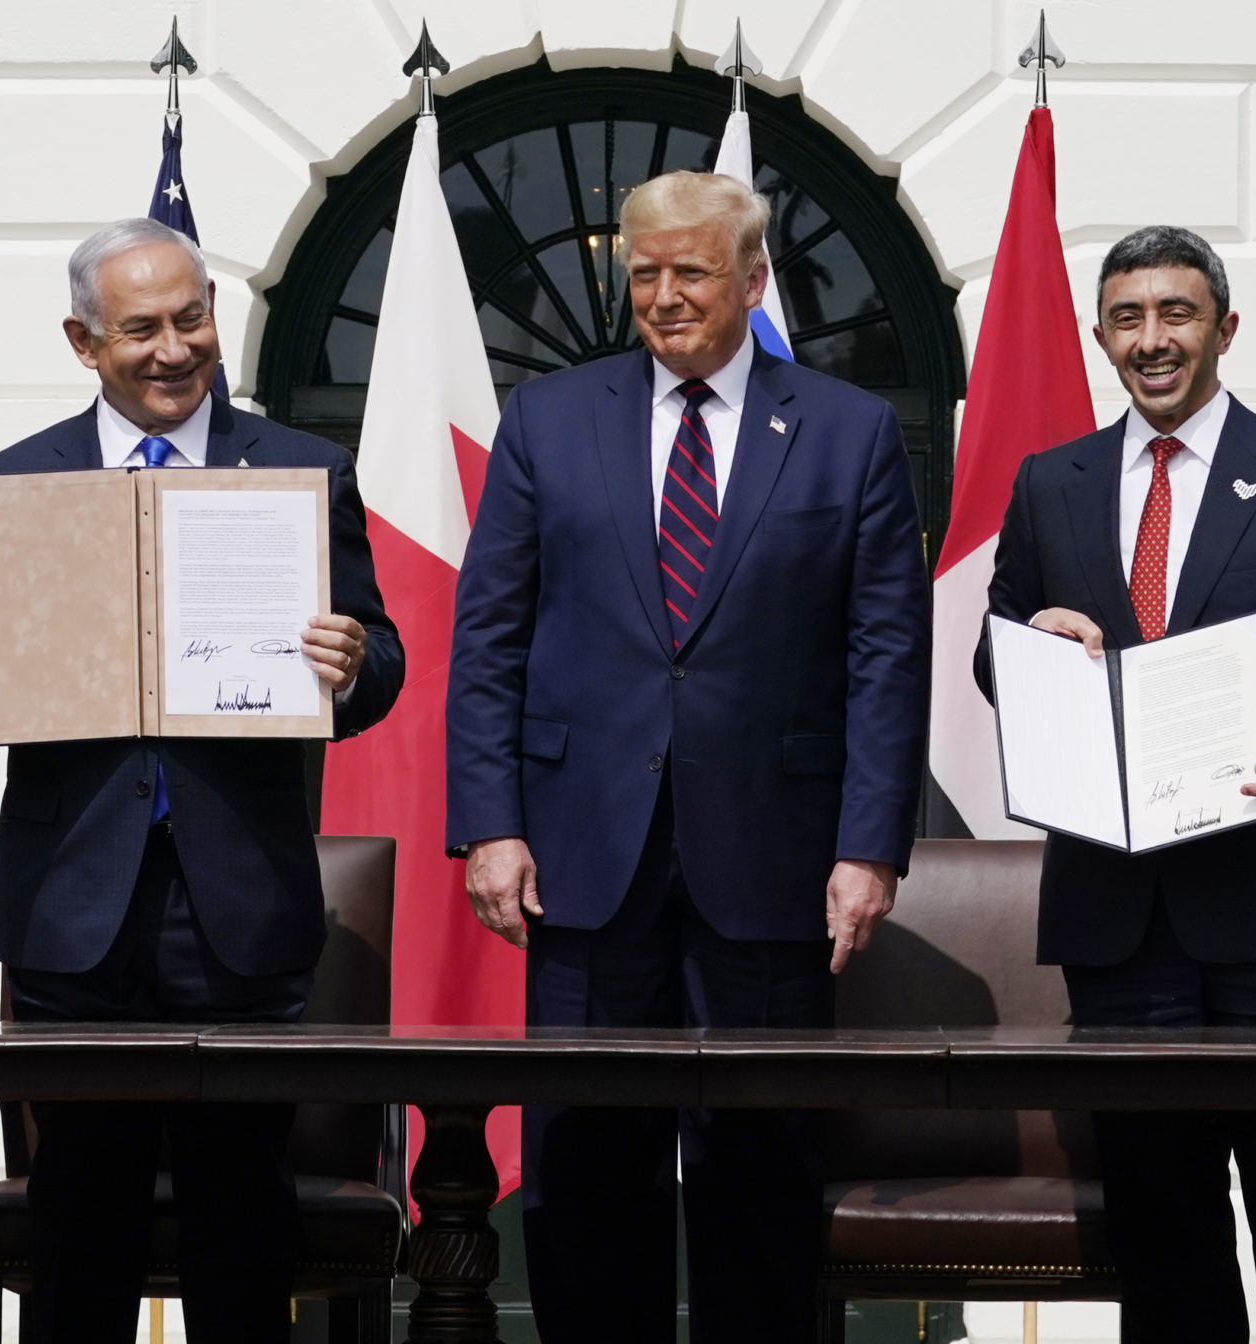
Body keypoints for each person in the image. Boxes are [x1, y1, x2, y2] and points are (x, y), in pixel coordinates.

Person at [445, 171, 931, 1341]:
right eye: (644, 273)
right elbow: (488, 637)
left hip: (772, 864)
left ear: (752, 280)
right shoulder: (547, 418)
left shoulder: (848, 429)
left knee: (757, 1184)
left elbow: (884, 655)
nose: (663, 297)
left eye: (691, 272)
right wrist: (490, 823)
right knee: (585, 1180)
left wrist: (869, 846)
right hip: (580, 859)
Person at [0, 216, 402, 1344]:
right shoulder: (12, 485)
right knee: (79, 1224)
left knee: (244, 1225)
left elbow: (378, 662)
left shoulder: (300, 469)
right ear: (83, 341)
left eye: (193, 319)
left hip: (241, 898)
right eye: (142, 329)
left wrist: (350, 661)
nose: (176, 349)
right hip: (74, 904)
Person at [974, 225, 1256, 1343]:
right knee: (1164, 1249)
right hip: (1123, 924)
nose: (1152, 339)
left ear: (1223, 326)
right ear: (1099, 336)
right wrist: (1030, 635)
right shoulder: (1048, 483)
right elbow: (992, 650)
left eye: (1175, 313)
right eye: (1127, 317)